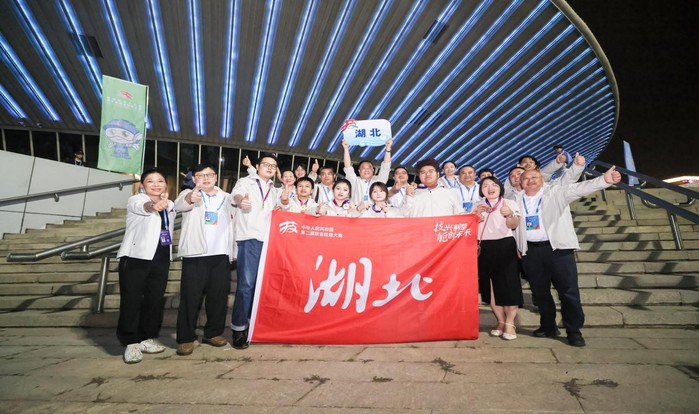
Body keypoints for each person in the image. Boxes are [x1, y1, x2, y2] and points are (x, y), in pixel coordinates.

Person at [513, 163, 622, 347]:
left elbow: (579, 189)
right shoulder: (515, 199)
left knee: (568, 291)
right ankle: (548, 326)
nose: (530, 181)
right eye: (526, 178)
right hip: (531, 252)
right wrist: (519, 246)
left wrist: (604, 180)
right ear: (520, 182)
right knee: (540, 292)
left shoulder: (555, 193)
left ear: (542, 179)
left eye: (534, 177)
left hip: (558, 250)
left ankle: (574, 330)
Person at [174, 163, 236, 356]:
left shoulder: (227, 197)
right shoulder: (188, 194)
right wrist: (190, 198)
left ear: (216, 177)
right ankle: (185, 337)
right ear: (194, 179)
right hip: (196, 254)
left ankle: (213, 333)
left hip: (220, 254)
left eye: (210, 174)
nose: (206, 178)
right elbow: (179, 205)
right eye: (201, 175)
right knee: (190, 298)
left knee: (218, 297)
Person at [116, 168, 174, 364]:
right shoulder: (136, 200)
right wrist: (153, 205)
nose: (156, 184)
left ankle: (146, 337)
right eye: (150, 181)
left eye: (160, 181)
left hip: (161, 257)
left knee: (154, 300)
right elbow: (145, 207)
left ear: (166, 184)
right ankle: (130, 341)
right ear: (142, 185)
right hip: (136, 257)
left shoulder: (170, 204)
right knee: (132, 300)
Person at [231, 153, 280, 349]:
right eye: (266, 164)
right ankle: (238, 329)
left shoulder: (274, 190)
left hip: (269, 241)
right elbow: (236, 195)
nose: (269, 168)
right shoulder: (246, 182)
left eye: (273, 166)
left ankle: (254, 326)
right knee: (246, 285)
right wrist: (240, 201)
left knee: (262, 286)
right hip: (250, 238)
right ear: (257, 166)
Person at [473, 177, 522, 341]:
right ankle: (500, 321)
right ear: (481, 190)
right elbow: (471, 227)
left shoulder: (509, 203)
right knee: (490, 286)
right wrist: (475, 215)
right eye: (485, 186)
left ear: (500, 187)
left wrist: (509, 214)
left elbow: (513, 225)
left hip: (505, 245)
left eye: (494, 185)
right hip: (484, 248)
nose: (490, 188)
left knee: (509, 284)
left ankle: (510, 323)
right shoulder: (477, 205)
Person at [342, 138, 392, 205]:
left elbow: (385, 167)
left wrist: (388, 149)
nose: (366, 169)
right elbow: (348, 167)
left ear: (373, 170)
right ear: (359, 171)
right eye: (363, 168)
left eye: (369, 167)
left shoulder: (379, 180)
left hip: (376, 211)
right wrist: (346, 149)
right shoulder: (354, 181)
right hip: (356, 210)